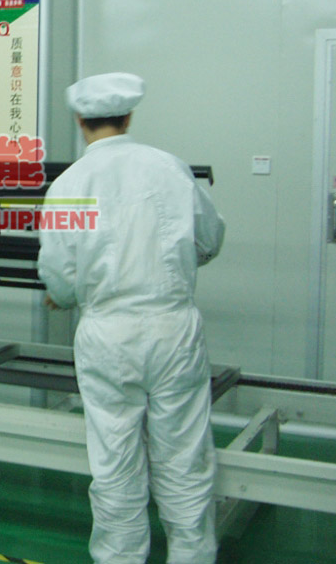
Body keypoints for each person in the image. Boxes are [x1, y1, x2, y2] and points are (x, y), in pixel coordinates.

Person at [37, 73, 225, 564]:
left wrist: (63, 295)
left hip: (107, 334)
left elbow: (59, 273)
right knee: (184, 459)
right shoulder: (169, 169)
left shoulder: (70, 184)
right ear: (129, 116)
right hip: (172, 327)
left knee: (115, 461)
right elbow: (209, 240)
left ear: (80, 120)